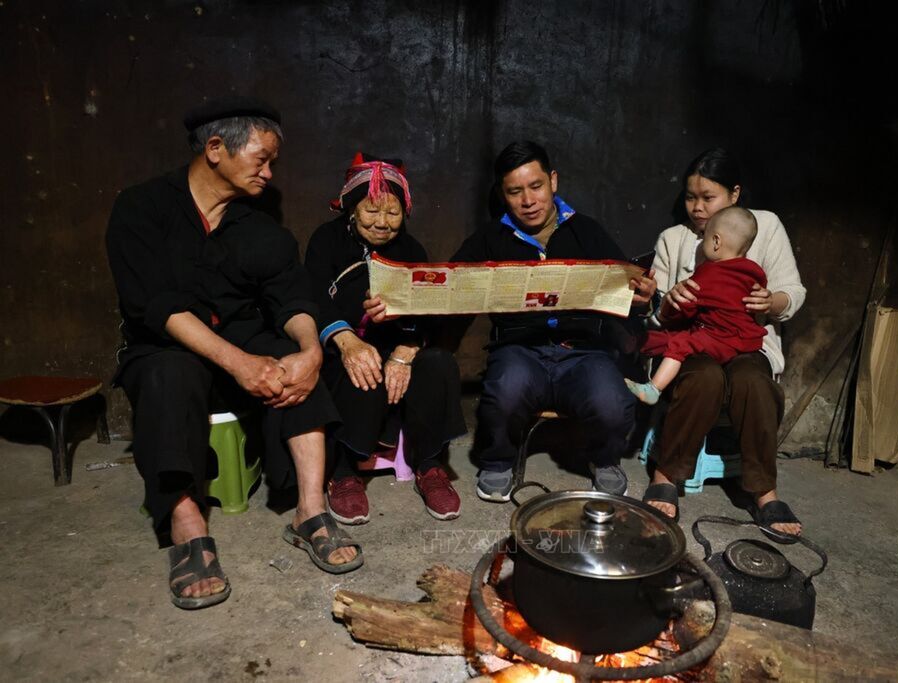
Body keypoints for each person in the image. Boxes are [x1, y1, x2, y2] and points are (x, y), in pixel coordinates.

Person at [106, 96, 362, 611]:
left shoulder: (257, 226)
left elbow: (292, 295)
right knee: (168, 372)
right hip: (168, 348)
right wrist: (239, 364)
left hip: (245, 342)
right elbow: (157, 307)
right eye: (261, 159)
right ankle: (187, 525)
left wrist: (309, 351)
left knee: (292, 360)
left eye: (273, 163)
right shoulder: (141, 208)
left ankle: (309, 510)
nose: (269, 173)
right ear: (216, 149)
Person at [363, 141, 656, 501]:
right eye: (515, 192)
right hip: (519, 351)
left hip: (583, 352)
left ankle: (604, 459)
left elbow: (628, 285)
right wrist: (395, 302)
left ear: (553, 181)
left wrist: (643, 296)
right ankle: (498, 460)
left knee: (613, 401)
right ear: (503, 194)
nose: (528, 200)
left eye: (536, 186)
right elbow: (448, 287)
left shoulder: (586, 231)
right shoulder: (490, 238)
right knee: (504, 391)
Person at [642, 147, 806, 539]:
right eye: (690, 197)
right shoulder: (673, 239)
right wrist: (668, 302)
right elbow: (654, 312)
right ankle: (667, 475)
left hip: (747, 342)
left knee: (754, 382)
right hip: (694, 343)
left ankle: (764, 491)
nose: (697, 208)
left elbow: (793, 291)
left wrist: (772, 301)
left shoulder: (765, 227)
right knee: (704, 378)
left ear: (734, 194)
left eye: (708, 197)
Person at [304, 154, 467, 524]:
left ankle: (429, 465)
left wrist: (405, 351)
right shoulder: (326, 241)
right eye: (371, 210)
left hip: (396, 348)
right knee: (360, 366)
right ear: (351, 208)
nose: (382, 222)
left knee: (438, 362)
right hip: (342, 348)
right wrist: (347, 340)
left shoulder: (411, 250)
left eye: (393, 213)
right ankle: (344, 471)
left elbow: (425, 312)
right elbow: (312, 298)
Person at [625, 206, 767, 409]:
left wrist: (673, 305)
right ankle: (636, 344)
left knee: (680, 343)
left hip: (719, 337)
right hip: (746, 339)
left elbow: (686, 307)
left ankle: (653, 389)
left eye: (705, 238)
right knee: (668, 338)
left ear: (716, 242)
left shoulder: (710, 274)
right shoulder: (754, 272)